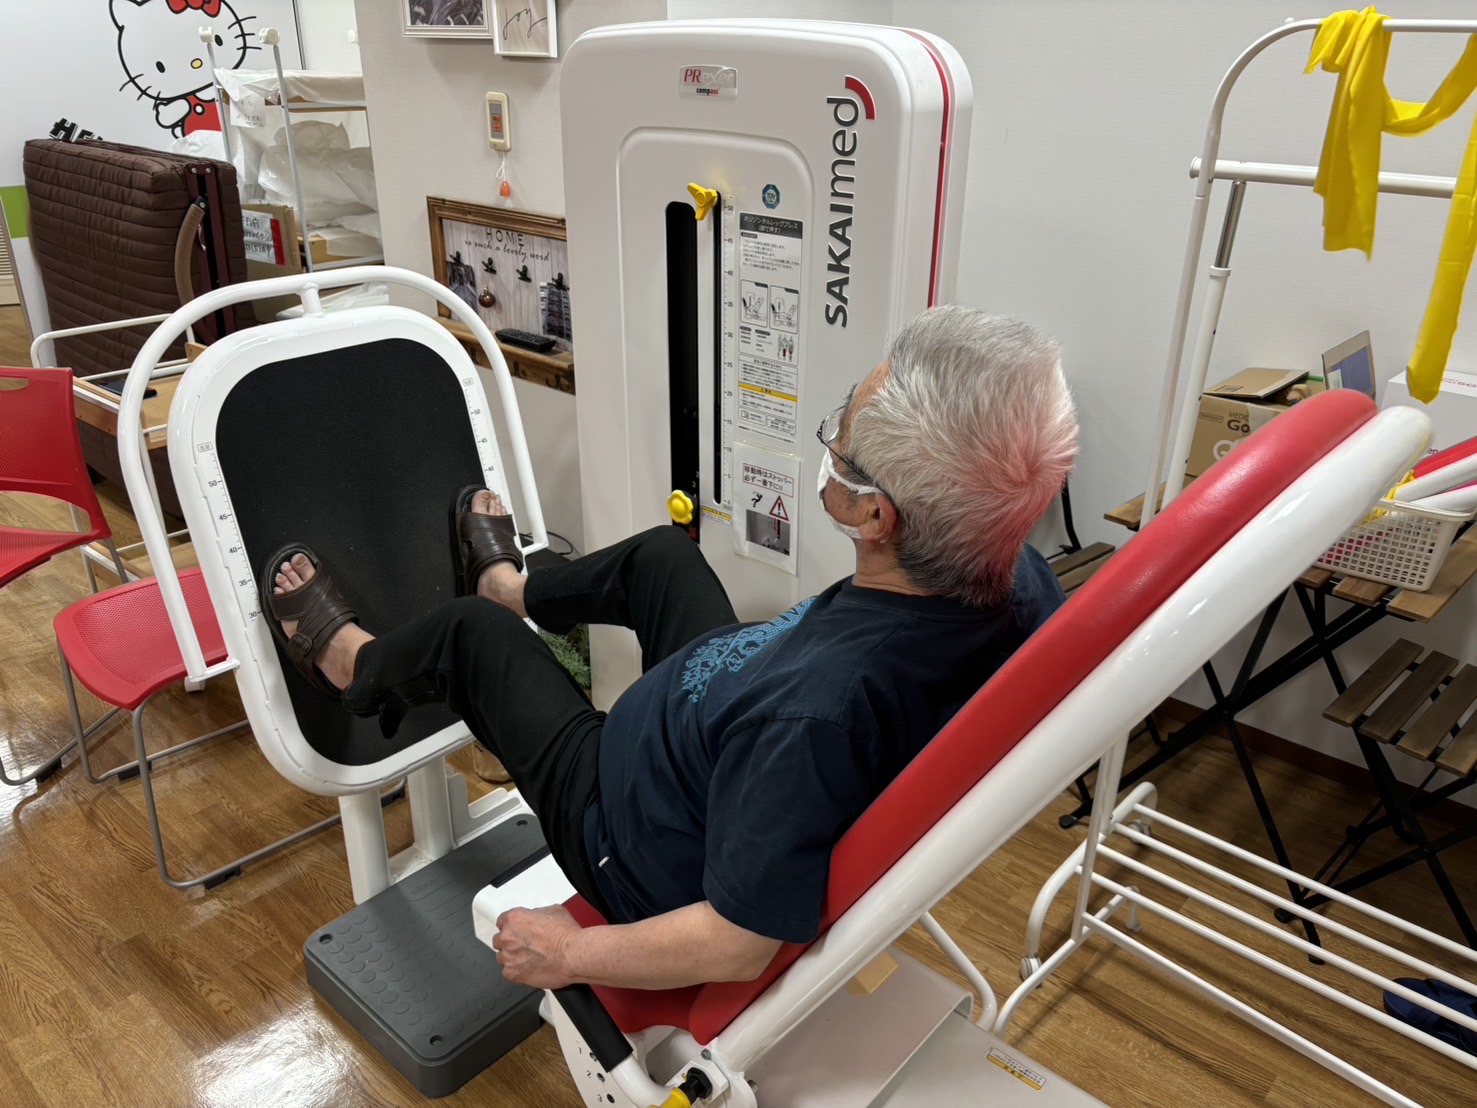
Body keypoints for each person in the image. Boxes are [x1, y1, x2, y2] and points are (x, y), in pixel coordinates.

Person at [262, 306, 1078, 993]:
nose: (829, 445)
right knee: (661, 556)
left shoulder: (814, 721)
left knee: (471, 637)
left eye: (841, 439)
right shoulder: (1017, 577)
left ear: (874, 517)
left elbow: (737, 942)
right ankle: (509, 587)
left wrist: (569, 952)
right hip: (712, 724)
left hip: (620, 821)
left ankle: (353, 668)